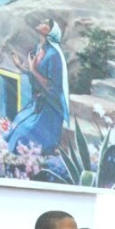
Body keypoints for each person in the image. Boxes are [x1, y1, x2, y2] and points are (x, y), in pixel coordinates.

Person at [5, 18, 70, 156]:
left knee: (23, 136)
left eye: (45, 23)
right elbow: (34, 75)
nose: (40, 23)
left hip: (50, 109)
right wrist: (21, 67)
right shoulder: (39, 48)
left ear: (51, 31)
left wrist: (33, 69)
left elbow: (53, 88)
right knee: (16, 125)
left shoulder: (54, 55)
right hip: (37, 104)